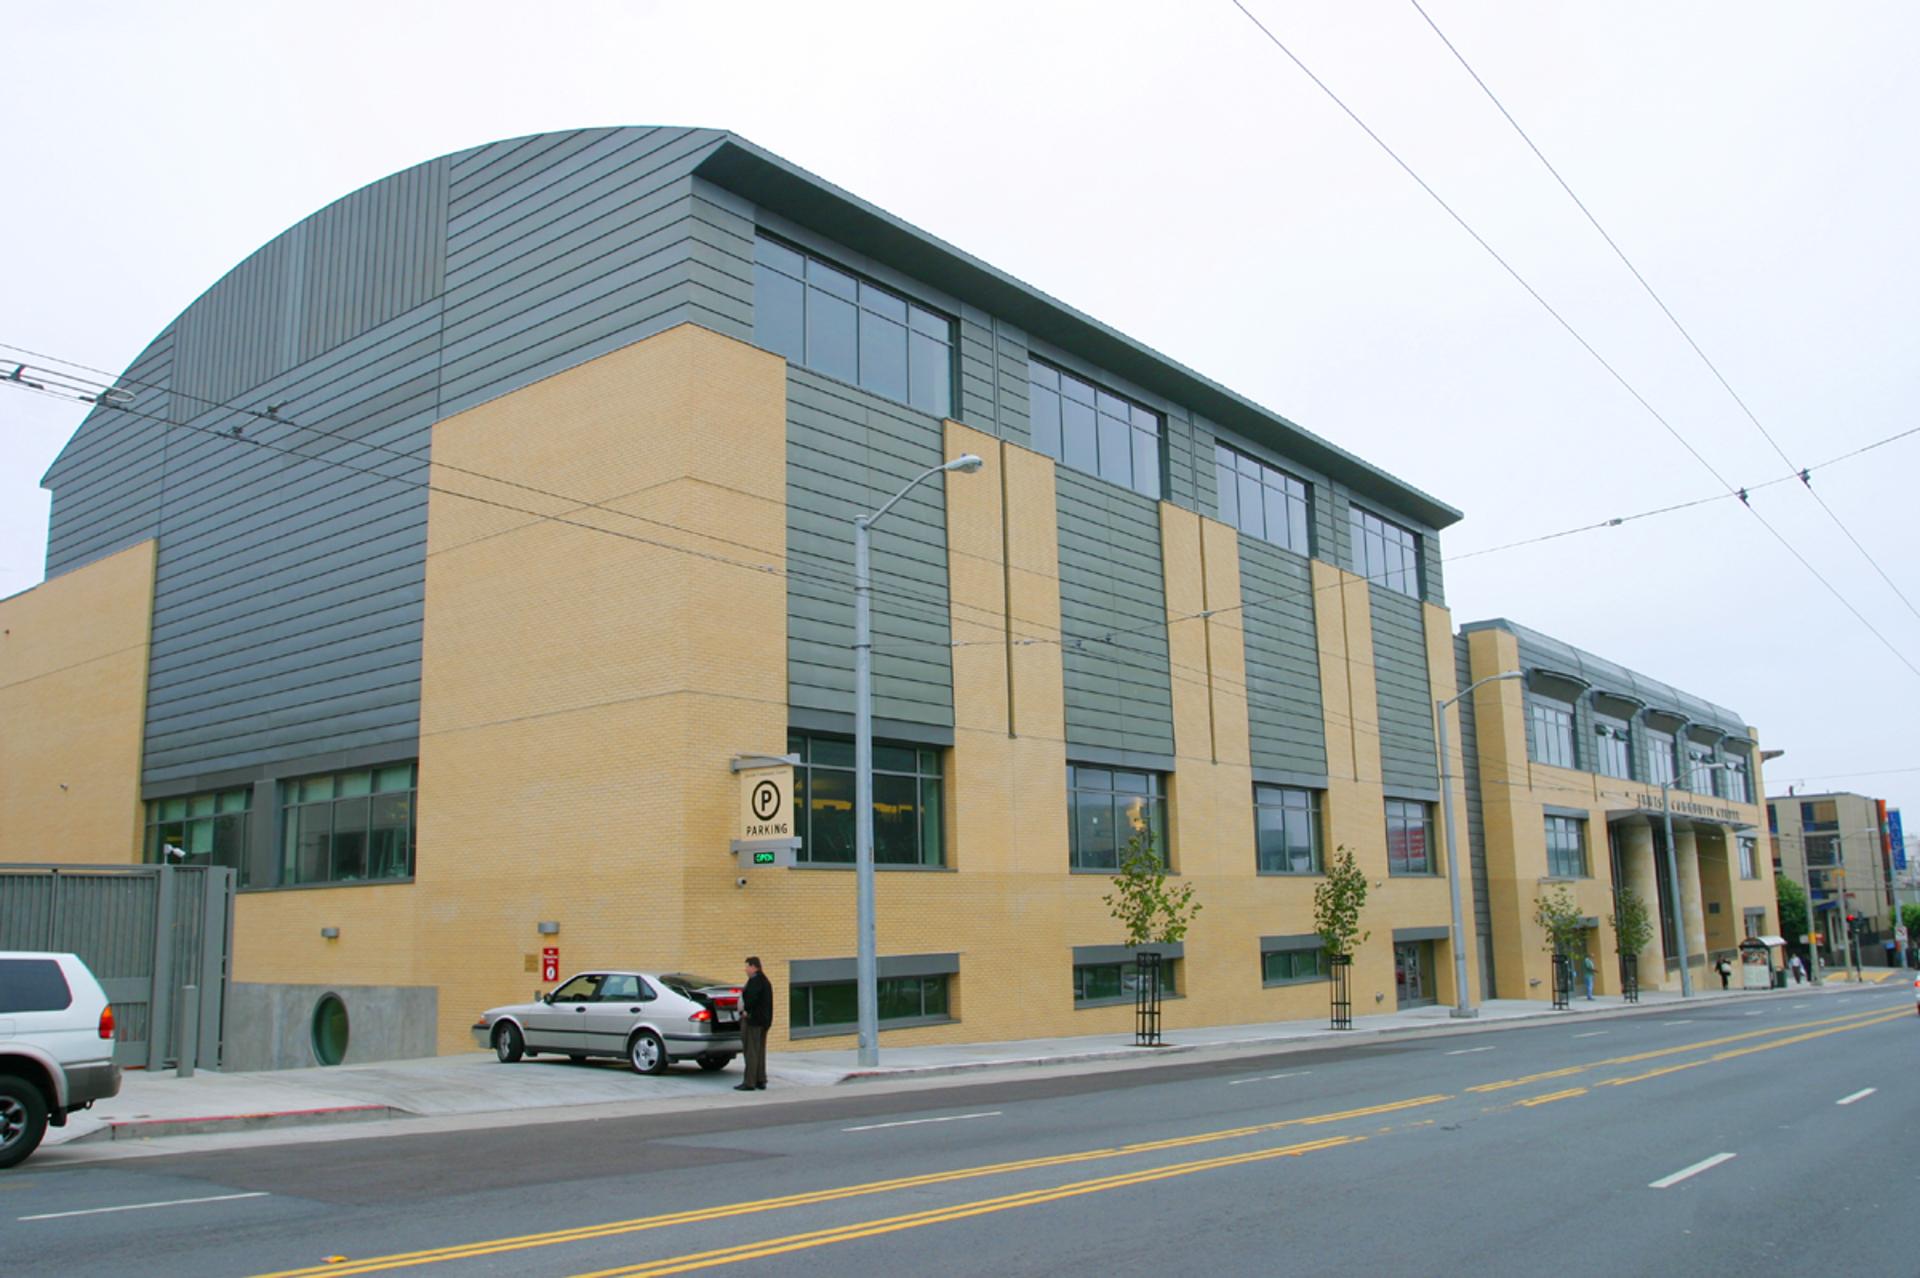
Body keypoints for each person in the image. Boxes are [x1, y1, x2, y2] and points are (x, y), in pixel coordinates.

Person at [736, 955, 773, 1092]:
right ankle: (760, 1079)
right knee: (760, 1052)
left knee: (751, 1051)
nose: (745, 970)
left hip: (753, 1021)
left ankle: (749, 1082)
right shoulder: (765, 981)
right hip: (764, 1021)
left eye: (747, 966)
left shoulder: (755, 981)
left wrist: (745, 1011)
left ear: (753, 966)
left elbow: (751, 999)